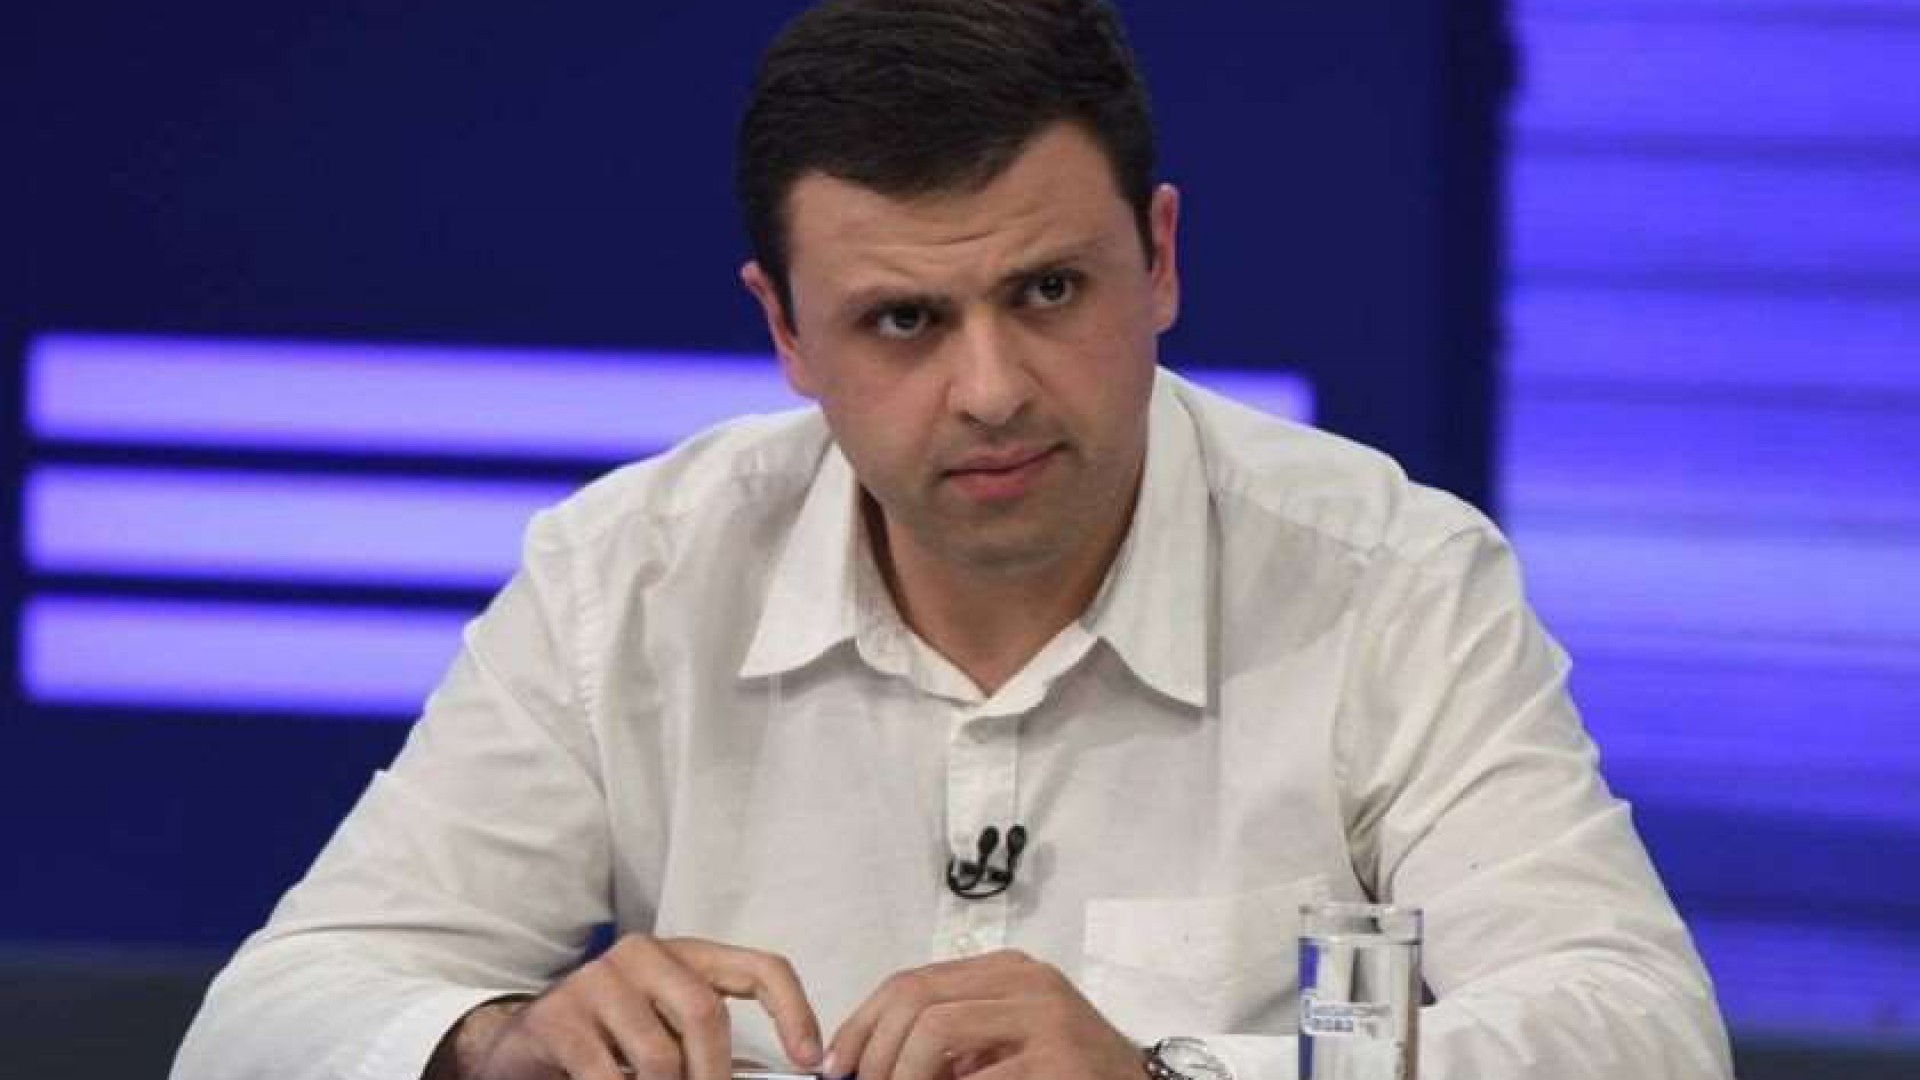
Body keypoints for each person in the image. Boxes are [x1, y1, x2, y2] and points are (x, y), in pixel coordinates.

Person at [171, 1, 1734, 1078]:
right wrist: (496, 1044)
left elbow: (1642, 1032)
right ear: (786, 331)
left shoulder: (1391, 580)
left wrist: (1170, 1077)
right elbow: (264, 1023)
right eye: (904, 321)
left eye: (1048, 291)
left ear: (1160, 258)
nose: (990, 389)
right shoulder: (629, 577)